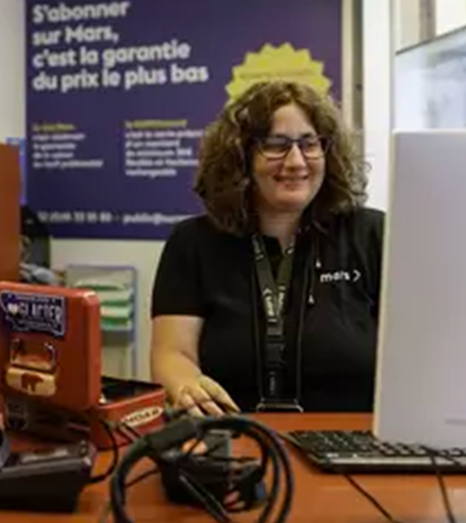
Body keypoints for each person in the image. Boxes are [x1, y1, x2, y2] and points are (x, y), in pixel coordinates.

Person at [150, 80, 382, 415]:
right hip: (235, 440)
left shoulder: (373, 235)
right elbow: (173, 354)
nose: (296, 161)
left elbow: (418, 355)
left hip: (355, 448)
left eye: (309, 144)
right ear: (242, 155)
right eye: (276, 145)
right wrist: (186, 386)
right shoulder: (193, 242)